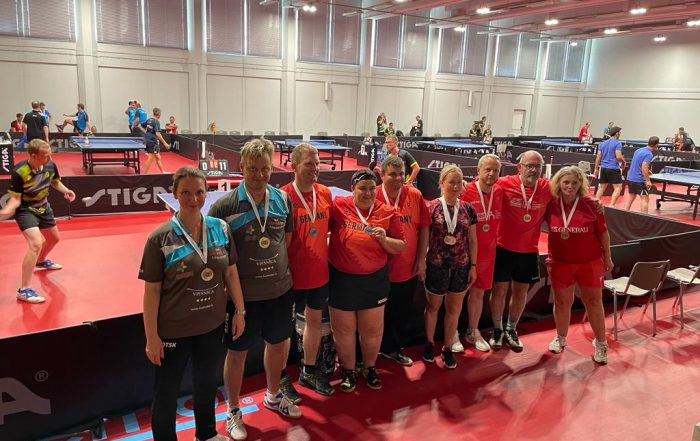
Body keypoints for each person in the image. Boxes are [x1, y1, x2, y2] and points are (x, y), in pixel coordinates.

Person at [139, 166, 246, 441]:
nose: (193, 199)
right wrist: (152, 337)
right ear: (175, 194)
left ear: (206, 193)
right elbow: (151, 292)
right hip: (174, 330)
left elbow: (231, 273)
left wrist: (240, 311)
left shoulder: (220, 228)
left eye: (199, 192)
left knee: (206, 382)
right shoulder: (160, 238)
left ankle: (206, 434)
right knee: (166, 391)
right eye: (186, 192)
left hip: (211, 324)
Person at [208, 138, 300, 440]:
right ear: (241, 167)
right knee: (237, 354)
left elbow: (285, 240)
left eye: (265, 169)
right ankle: (233, 410)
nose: (259, 175)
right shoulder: (224, 206)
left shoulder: (283, 199)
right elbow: (218, 254)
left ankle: (273, 395)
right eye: (252, 169)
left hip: (280, 290)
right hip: (243, 298)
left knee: (278, 345)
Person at [328, 169, 405, 392]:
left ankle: (370, 368)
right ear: (352, 189)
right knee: (343, 331)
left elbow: (400, 245)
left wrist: (384, 239)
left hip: (374, 281)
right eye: (362, 188)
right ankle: (349, 370)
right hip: (341, 279)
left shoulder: (387, 211)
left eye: (372, 188)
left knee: (372, 331)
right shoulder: (339, 205)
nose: (368, 193)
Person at [279, 143, 334, 398]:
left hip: (319, 274)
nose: (315, 168)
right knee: (283, 331)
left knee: (314, 323)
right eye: (309, 164)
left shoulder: (324, 193)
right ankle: (280, 377)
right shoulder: (283, 196)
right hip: (290, 277)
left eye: (317, 163)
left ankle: (308, 371)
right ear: (294, 166)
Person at [545, 166, 611, 364]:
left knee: (594, 302)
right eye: (566, 182)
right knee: (561, 302)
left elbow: (603, 233)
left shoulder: (592, 205)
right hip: (560, 262)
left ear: (580, 184)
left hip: (589, 263)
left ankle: (601, 343)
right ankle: (561, 337)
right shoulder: (550, 204)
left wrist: (608, 257)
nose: (570, 186)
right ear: (558, 183)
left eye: (575, 182)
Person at [489, 150, 552, 352]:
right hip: (503, 248)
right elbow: (480, 186)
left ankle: (511, 328)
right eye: (529, 166)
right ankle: (497, 329)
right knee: (499, 291)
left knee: (520, 292)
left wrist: (593, 201)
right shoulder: (504, 183)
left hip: (529, 251)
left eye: (537, 167)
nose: (533, 170)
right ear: (519, 167)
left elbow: (573, 191)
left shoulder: (547, 187)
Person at [0, 139, 75, 303]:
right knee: (35, 243)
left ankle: (40, 261)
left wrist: (66, 190)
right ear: (33, 156)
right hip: (26, 210)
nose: (49, 158)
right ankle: (24, 290)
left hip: (44, 207)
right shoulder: (19, 171)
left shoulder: (50, 165)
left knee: (54, 239)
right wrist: (6, 211)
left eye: (50, 154)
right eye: (45, 156)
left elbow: (54, 181)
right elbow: (15, 199)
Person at [422, 165, 478, 369]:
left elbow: (473, 240)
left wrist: (473, 266)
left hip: (461, 266)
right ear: (441, 183)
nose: (455, 186)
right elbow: (424, 238)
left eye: (458, 182)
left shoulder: (469, 209)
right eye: (451, 182)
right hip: (436, 265)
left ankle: (447, 347)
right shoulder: (431, 207)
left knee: (454, 309)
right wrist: (422, 262)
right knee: (433, 307)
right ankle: (429, 344)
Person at [377, 155, 430, 366]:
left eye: (401, 174)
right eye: (392, 174)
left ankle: (393, 348)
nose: (398, 178)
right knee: (375, 315)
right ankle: (369, 352)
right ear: (382, 175)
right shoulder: (373, 194)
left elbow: (424, 227)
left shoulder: (415, 195)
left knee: (400, 311)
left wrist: (421, 259)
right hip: (378, 270)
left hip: (406, 267)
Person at [452, 154, 503, 353]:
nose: (491, 174)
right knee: (457, 296)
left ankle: (472, 331)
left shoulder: (500, 191)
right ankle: (452, 332)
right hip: (464, 255)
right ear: (478, 170)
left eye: (495, 170)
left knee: (478, 294)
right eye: (487, 169)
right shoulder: (465, 191)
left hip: (488, 254)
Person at [624, 136, 658, 213]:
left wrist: (647, 171)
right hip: (638, 180)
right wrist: (648, 181)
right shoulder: (649, 154)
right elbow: (644, 166)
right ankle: (643, 218)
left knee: (631, 196)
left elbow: (637, 163)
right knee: (645, 199)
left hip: (630, 178)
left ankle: (624, 214)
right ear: (656, 145)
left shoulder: (638, 150)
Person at [594, 126, 626, 206]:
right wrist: (624, 162)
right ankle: (611, 205)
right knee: (618, 188)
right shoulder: (618, 143)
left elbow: (598, 157)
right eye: (619, 132)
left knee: (601, 187)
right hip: (613, 168)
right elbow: (618, 156)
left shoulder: (602, 144)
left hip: (603, 168)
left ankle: (596, 204)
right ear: (617, 133)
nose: (620, 134)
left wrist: (596, 168)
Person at [138, 107, 170, 174]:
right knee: (150, 158)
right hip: (153, 142)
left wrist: (146, 132)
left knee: (158, 157)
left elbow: (139, 126)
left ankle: (163, 172)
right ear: (158, 113)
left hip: (148, 140)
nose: (160, 114)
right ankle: (144, 175)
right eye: (160, 113)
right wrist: (165, 143)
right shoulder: (156, 121)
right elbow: (157, 133)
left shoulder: (149, 120)